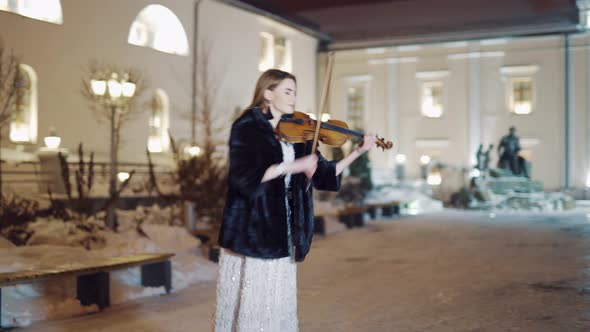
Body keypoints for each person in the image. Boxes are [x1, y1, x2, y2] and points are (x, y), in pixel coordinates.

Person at [214, 69, 377, 332]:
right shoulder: (248, 127)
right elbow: (243, 178)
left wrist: (358, 151)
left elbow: (324, 174)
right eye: (287, 91)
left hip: (286, 232)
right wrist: (291, 167)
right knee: (256, 301)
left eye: (295, 92)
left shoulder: (299, 132)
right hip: (255, 230)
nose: (293, 98)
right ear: (268, 93)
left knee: (277, 302)